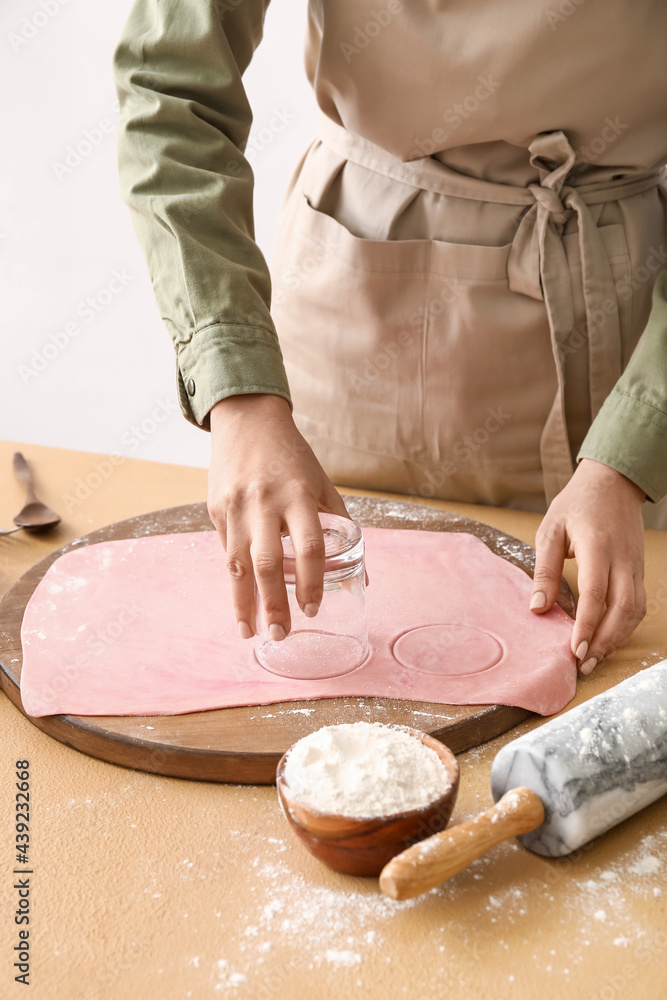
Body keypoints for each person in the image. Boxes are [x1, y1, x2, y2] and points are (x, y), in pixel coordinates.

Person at [112, 0, 667, 679]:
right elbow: (168, 87)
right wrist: (239, 391)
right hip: (355, 323)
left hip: (634, 340)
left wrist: (630, 453)